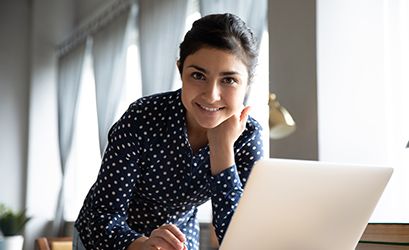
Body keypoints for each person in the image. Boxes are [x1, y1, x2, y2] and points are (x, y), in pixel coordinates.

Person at [73, 13, 264, 250]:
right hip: (107, 238)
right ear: (180, 70)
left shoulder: (247, 137)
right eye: (198, 75)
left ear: (248, 83)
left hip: (179, 241)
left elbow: (238, 238)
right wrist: (142, 245)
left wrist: (222, 148)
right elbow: (103, 215)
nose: (211, 95)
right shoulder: (142, 117)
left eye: (229, 80)